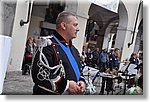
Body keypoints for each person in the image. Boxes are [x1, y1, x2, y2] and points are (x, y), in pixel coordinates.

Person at [31, 11, 86, 95]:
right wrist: (67, 86)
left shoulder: (73, 49)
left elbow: (79, 71)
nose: (78, 29)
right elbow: (39, 76)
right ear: (63, 25)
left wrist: (82, 81)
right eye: (75, 25)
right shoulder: (46, 45)